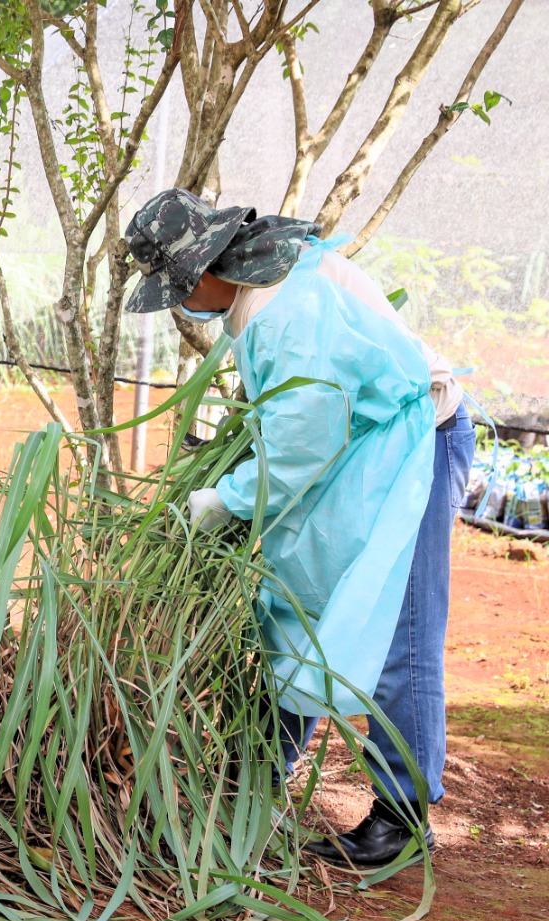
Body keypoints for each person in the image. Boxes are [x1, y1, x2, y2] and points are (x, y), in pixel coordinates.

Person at [123, 189, 475, 868]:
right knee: (296, 605)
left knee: (399, 629)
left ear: (207, 267)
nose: (181, 300)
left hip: (412, 446)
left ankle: (402, 818)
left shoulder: (288, 311)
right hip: (361, 449)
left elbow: (300, 444)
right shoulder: (266, 281)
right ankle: (255, 777)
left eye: (181, 286)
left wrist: (226, 497)